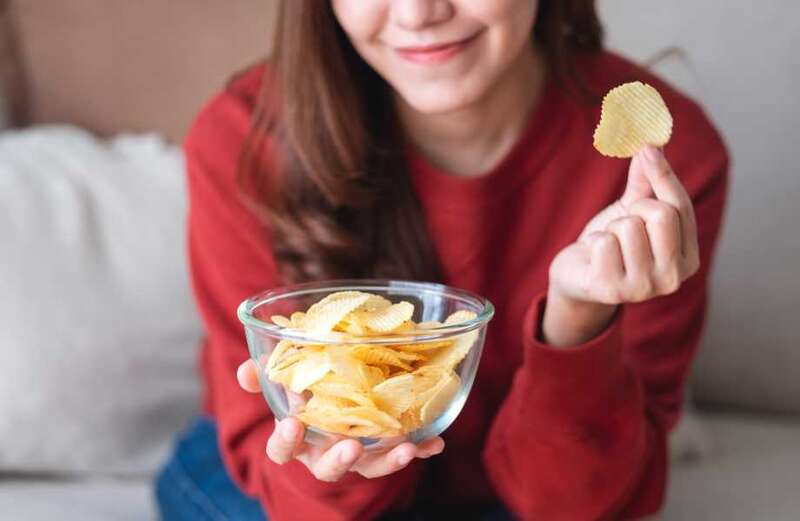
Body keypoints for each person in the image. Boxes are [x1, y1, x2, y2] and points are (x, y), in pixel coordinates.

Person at [155, 1, 729, 520]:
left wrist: (577, 321)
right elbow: (293, 500)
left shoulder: (660, 173)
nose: (416, 13)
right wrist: (340, 451)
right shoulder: (242, 138)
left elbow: (580, 504)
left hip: (523, 486)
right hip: (289, 487)